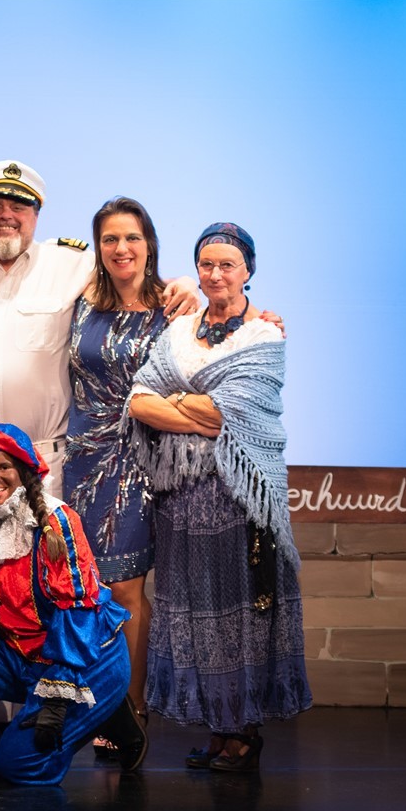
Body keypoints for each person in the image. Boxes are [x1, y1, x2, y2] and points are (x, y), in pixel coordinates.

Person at [0, 161, 200, 505]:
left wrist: (185, 283)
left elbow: (129, 275)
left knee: (44, 544)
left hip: (42, 462)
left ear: (36, 214)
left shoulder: (69, 262)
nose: (7, 215)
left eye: (19, 206)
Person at [126, 222, 311, 772]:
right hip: (181, 499)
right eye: (206, 264)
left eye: (227, 264)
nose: (214, 274)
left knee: (238, 614)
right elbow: (139, 400)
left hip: (238, 500)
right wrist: (199, 408)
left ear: (247, 270)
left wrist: (183, 402)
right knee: (195, 613)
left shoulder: (264, 335)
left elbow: (230, 411)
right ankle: (218, 730)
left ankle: (244, 734)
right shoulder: (181, 329)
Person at [0, 423, 146, 785]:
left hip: (82, 661)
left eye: (3, 466)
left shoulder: (55, 521)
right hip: (20, 656)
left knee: (18, 767)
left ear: (23, 470)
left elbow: (78, 611)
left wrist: (57, 694)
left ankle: (115, 716)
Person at [64, 197, 167, 751]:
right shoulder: (82, 300)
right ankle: (95, 703)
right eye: (110, 239)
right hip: (82, 461)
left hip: (139, 460)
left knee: (126, 587)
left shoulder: (173, 306)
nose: (121, 248)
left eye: (131, 237)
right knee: (90, 587)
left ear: (149, 244)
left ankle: (131, 707)